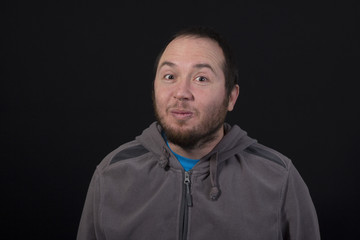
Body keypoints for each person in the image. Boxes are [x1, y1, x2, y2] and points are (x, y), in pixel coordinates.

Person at [77, 26, 320, 240]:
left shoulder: (279, 178)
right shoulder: (111, 174)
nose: (181, 92)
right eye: (170, 76)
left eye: (201, 78)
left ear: (231, 97)